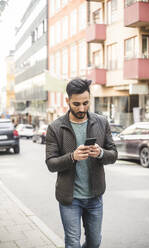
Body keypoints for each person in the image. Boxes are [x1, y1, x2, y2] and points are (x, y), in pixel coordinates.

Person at [45, 78, 118, 248]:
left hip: (95, 197)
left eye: (86, 103)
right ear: (67, 101)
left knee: (94, 242)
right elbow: (50, 163)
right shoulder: (55, 127)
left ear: (90, 99)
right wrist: (72, 157)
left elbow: (113, 154)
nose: (82, 108)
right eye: (76, 104)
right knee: (72, 242)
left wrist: (100, 153)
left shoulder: (101, 122)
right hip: (70, 199)